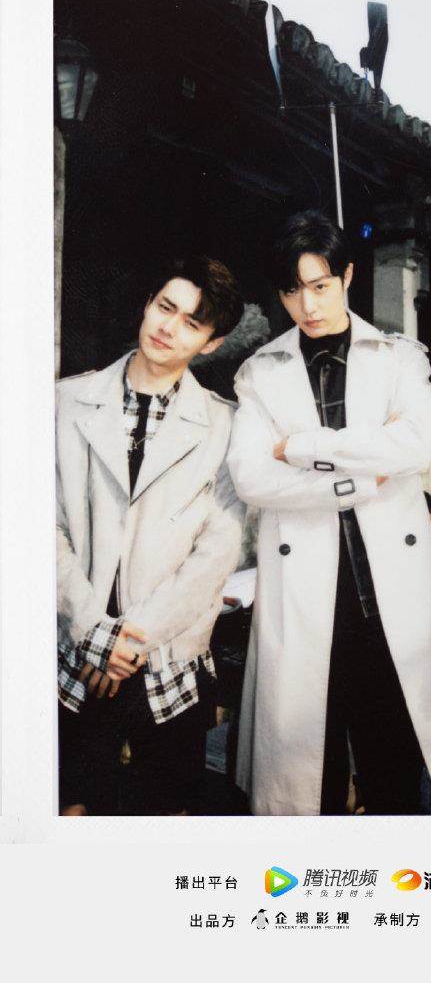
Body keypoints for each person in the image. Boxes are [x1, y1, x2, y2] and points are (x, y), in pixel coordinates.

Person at [228, 210, 431, 816]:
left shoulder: (399, 358)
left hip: (387, 596)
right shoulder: (259, 373)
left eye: (320, 285)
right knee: (307, 776)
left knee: (393, 765)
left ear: (346, 276)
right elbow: (252, 477)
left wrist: (303, 447)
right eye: (293, 291)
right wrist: (362, 478)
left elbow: (414, 447)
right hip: (304, 594)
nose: (308, 305)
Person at [57, 255, 246, 815]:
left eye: (192, 322)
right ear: (147, 305)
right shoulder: (64, 402)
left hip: (170, 661)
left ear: (211, 343)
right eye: (166, 307)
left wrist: (128, 641)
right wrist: (94, 633)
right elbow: (43, 529)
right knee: (71, 811)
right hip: (75, 651)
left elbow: (216, 553)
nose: (169, 327)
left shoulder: (225, 426)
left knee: (166, 820)